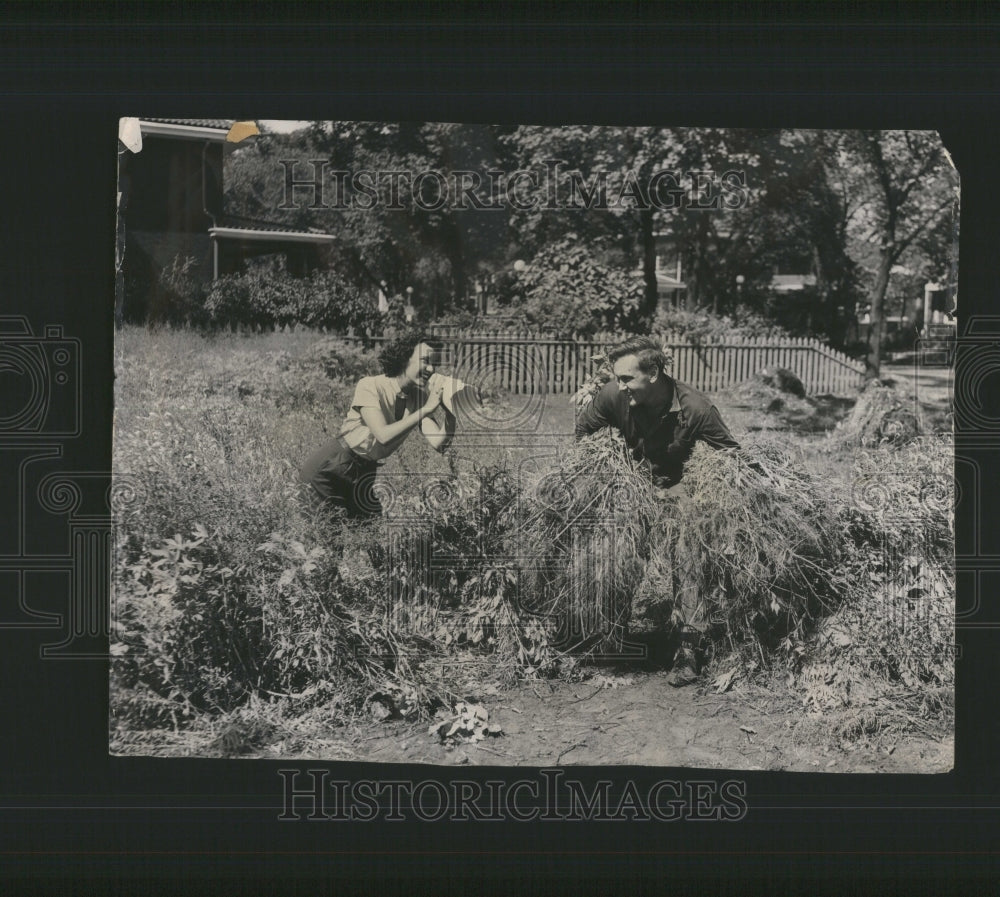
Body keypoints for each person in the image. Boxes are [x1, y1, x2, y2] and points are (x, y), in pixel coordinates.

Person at [574, 336, 740, 686]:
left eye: (626, 379)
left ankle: (688, 648)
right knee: (612, 546)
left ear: (652, 373)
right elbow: (584, 433)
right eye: (617, 378)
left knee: (689, 550)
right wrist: (610, 476)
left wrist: (701, 501)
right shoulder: (612, 397)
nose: (619, 386)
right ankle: (610, 635)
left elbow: (730, 460)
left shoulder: (697, 409)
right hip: (631, 484)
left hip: (681, 487)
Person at [299, 332, 459, 519]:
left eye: (435, 364)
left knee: (369, 538)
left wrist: (451, 413)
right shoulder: (370, 385)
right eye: (425, 361)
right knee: (330, 540)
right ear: (404, 359)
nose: (431, 369)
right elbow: (382, 436)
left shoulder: (419, 398)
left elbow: (439, 444)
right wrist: (426, 409)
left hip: (365, 472)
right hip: (331, 467)